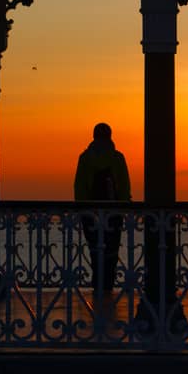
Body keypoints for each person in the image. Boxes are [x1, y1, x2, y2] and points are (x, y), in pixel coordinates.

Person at [74, 122, 131, 297]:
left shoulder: (85, 158)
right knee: (111, 249)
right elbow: (124, 185)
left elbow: (79, 186)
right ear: (110, 136)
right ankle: (108, 284)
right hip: (113, 212)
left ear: (94, 136)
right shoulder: (117, 158)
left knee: (95, 249)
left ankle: (98, 283)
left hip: (90, 212)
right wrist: (123, 206)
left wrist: (83, 208)